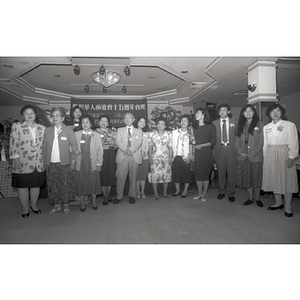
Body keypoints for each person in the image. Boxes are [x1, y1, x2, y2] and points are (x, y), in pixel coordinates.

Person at [262, 103, 299, 217]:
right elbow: (265, 144)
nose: (275, 113)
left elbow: (293, 141)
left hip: (284, 153)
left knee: (287, 180)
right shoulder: (266, 127)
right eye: (273, 111)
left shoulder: (290, 125)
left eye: (278, 111)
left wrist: (292, 157)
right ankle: (278, 203)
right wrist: (265, 158)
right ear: (269, 114)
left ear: (282, 112)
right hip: (270, 154)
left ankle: (288, 207)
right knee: (274, 179)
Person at [9, 105, 46, 218]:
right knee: (23, 186)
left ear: (36, 115)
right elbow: (13, 142)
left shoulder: (42, 128)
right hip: (22, 161)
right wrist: (15, 159)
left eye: (32, 113)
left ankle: (34, 206)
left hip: (38, 162)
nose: (29, 115)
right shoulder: (17, 126)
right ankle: (25, 208)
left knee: (36, 186)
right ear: (23, 115)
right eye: (27, 113)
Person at [43, 107, 79, 214]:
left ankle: (66, 203)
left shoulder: (68, 130)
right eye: (53, 116)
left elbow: (74, 146)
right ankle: (56, 204)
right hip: (51, 162)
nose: (55, 118)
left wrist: (73, 160)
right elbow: (44, 147)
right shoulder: (48, 130)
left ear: (63, 118)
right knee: (53, 183)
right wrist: (44, 162)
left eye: (57, 115)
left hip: (65, 162)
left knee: (65, 183)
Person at [235, 104, 264, 207]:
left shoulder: (260, 124)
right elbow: (237, 140)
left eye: (250, 111)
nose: (248, 113)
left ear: (254, 112)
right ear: (242, 113)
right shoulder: (240, 125)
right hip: (243, 156)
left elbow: (261, 142)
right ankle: (250, 198)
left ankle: (257, 198)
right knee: (247, 178)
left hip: (255, 156)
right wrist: (240, 152)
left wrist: (254, 153)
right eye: (245, 111)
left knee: (256, 178)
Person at [73, 115, 103, 211]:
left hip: (92, 162)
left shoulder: (97, 135)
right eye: (83, 122)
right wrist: (72, 151)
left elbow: (100, 150)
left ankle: (94, 201)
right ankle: (82, 202)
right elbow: (72, 148)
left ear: (91, 124)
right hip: (80, 162)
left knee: (93, 181)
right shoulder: (76, 134)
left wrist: (99, 164)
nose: (85, 124)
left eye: (87, 122)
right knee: (81, 182)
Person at [114, 112, 143, 204]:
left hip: (133, 155)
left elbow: (139, 142)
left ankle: (132, 195)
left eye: (129, 118)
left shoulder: (139, 131)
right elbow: (118, 142)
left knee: (133, 177)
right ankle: (119, 196)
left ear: (133, 119)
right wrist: (126, 150)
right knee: (120, 177)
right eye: (126, 118)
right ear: (124, 120)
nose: (127, 119)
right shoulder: (119, 130)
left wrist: (131, 150)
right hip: (122, 155)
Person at [213, 104, 237, 202]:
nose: (222, 112)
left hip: (231, 149)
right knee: (221, 172)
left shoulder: (235, 122)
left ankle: (231, 193)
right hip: (219, 150)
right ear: (218, 112)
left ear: (229, 112)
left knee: (231, 173)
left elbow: (238, 136)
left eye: (224, 110)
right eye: (220, 110)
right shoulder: (213, 123)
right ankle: (221, 191)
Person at [192, 108, 216, 201]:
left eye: (198, 113)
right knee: (197, 173)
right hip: (197, 152)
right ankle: (199, 193)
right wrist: (192, 141)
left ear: (203, 115)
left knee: (205, 174)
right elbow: (193, 140)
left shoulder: (211, 127)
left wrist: (201, 145)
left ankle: (205, 194)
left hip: (206, 152)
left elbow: (213, 141)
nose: (196, 115)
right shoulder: (194, 127)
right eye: (196, 113)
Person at [96, 115, 118, 205]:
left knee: (110, 175)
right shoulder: (95, 132)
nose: (103, 123)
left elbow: (116, 143)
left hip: (111, 154)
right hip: (100, 154)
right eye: (101, 121)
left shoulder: (113, 132)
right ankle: (105, 196)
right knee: (102, 175)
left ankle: (108, 195)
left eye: (105, 121)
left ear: (108, 123)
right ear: (98, 122)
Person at [149, 117, 172, 200]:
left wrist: (170, 159)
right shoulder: (152, 135)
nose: (160, 126)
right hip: (155, 158)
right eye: (159, 124)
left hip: (165, 158)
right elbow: (150, 147)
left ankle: (165, 192)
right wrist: (150, 158)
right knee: (154, 176)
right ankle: (155, 193)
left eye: (162, 124)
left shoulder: (169, 134)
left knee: (166, 175)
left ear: (165, 126)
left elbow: (170, 148)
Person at [171, 114, 194, 198]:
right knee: (176, 175)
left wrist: (190, 156)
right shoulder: (174, 133)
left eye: (185, 121)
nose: (183, 122)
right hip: (176, 156)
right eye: (182, 121)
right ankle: (177, 190)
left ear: (188, 123)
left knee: (186, 175)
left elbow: (193, 147)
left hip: (186, 156)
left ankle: (185, 191)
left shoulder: (191, 134)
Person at [134, 116, 150, 199]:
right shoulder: (133, 132)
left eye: (144, 122)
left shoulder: (146, 134)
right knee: (137, 176)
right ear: (137, 122)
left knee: (143, 175)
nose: (142, 124)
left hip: (145, 157)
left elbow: (147, 145)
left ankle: (142, 191)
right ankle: (137, 191)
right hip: (135, 157)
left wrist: (144, 153)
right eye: (140, 122)